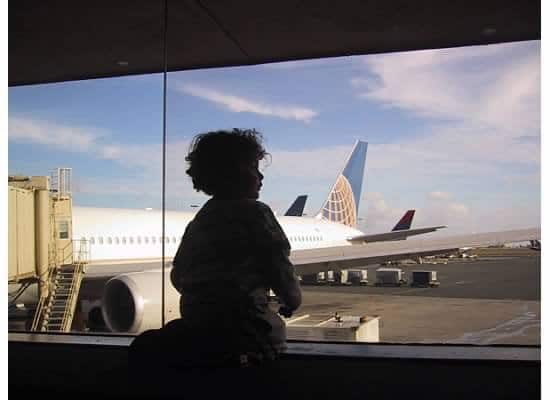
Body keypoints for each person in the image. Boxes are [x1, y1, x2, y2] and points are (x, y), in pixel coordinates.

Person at [132, 128, 301, 371]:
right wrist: (292, 301)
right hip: (245, 333)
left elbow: (178, 275)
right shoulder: (257, 213)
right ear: (234, 173)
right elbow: (279, 266)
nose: (260, 177)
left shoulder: (201, 219)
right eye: (254, 168)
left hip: (199, 330)